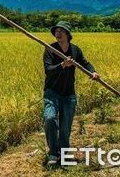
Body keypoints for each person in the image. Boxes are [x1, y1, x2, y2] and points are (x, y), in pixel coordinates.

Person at [43, 21, 100, 166]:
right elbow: (48, 71)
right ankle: (53, 153)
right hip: (52, 92)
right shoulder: (50, 49)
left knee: (65, 126)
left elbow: (85, 63)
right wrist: (62, 65)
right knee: (49, 118)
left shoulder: (75, 50)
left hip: (68, 94)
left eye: (62, 31)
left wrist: (93, 71)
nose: (58, 33)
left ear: (68, 34)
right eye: (57, 31)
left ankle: (63, 154)